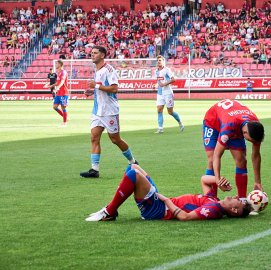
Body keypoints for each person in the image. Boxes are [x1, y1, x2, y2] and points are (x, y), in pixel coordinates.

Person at [85, 164, 253, 221]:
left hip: (158, 209)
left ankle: (109, 212)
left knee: (133, 174)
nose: (237, 197)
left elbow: (184, 217)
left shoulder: (214, 210)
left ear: (235, 210)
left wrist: (166, 201)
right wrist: (219, 182)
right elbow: (204, 179)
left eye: (240, 201)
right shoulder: (214, 200)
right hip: (160, 203)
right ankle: (112, 210)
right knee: (133, 167)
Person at [81, 46, 138, 178]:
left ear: (102, 55)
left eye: (95, 53)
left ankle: (133, 162)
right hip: (97, 111)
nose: (92, 55)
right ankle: (94, 169)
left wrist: (95, 86)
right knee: (94, 137)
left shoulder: (109, 70)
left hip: (109, 111)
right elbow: (101, 88)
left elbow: (114, 89)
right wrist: (92, 91)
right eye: (92, 53)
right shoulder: (97, 70)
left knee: (115, 139)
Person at [203, 99, 265, 200]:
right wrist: (218, 180)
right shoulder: (229, 128)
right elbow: (217, 155)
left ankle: (242, 199)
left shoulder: (255, 126)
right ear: (244, 133)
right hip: (212, 122)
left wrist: (257, 182)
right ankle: (211, 199)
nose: (253, 143)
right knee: (211, 159)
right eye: (251, 141)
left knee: (241, 160)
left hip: (234, 121)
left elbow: (256, 155)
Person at [154, 55, 184, 134]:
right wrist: (156, 85)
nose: (158, 62)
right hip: (160, 93)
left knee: (170, 112)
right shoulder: (156, 71)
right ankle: (160, 128)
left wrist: (164, 84)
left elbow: (173, 79)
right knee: (159, 110)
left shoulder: (167, 70)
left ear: (163, 61)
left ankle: (180, 122)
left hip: (167, 93)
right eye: (157, 61)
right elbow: (159, 82)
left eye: (160, 60)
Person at [48, 60, 69, 127]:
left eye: (56, 63)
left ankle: (65, 123)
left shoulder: (64, 72)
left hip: (64, 92)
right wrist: (51, 86)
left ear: (60, 64)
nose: (55, 65)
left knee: (63, 107)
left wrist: (57, 88)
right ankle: (65, 117)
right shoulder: (58, 72)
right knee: (55, 107)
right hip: (59, 93)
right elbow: (57, 82)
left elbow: (62, 82)